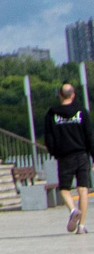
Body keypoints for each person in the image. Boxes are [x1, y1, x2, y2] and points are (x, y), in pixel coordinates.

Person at [45, 81, 92, 234]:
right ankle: (82, 226)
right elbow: (89, 135)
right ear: (73, 95)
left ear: (59, 95)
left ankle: (72, 210)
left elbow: (49, 138)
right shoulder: (81, 112)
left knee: (64, 189)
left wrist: (55, 153)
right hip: (82, 155)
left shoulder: (52, 114)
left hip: (65, 157)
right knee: (83, 190)